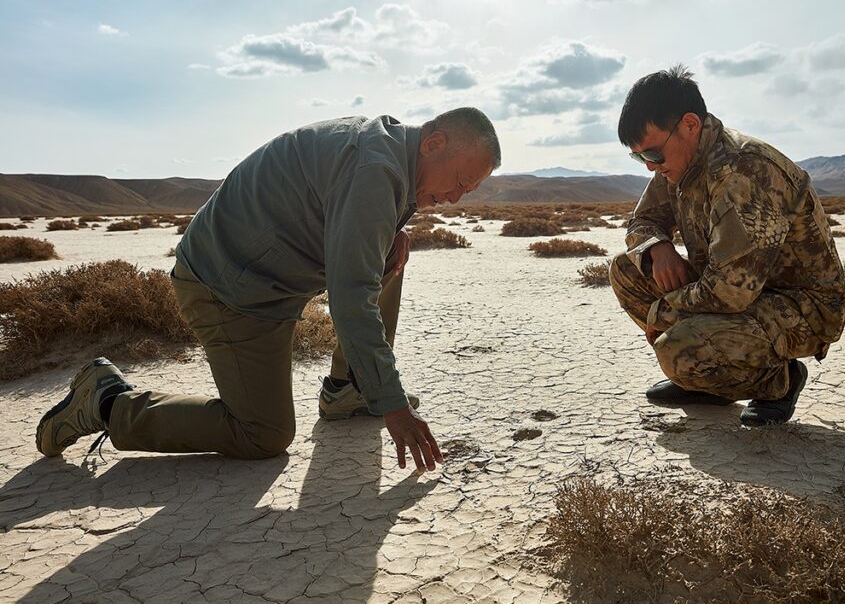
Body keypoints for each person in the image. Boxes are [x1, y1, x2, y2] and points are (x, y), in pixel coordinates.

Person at [36, 108, 500, 471]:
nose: (458, 197)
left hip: (267, 275)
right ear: (434, 143)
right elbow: (350, 297)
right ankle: (106, 401)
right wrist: (394, 407)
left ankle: (349, 390)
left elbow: (359, 217)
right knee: (262, 434)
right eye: (460, 182)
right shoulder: (375, 170)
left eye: (470, 191)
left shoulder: (394, 145)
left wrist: (395, 227)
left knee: (387, 255)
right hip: (227, 288)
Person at [610, 66, 845, 426]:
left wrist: (664, 311)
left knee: (677, 347)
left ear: (690, 125)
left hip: (799, 307)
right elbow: (641, 223)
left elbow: (730, 292)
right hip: (733, 290)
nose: (648, 167)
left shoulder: (744, 170)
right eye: (639, 157)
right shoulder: (678, 165)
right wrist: (659, 248)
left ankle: (778, 382)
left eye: (653, 154)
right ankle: (708, 381)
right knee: (627, 270)